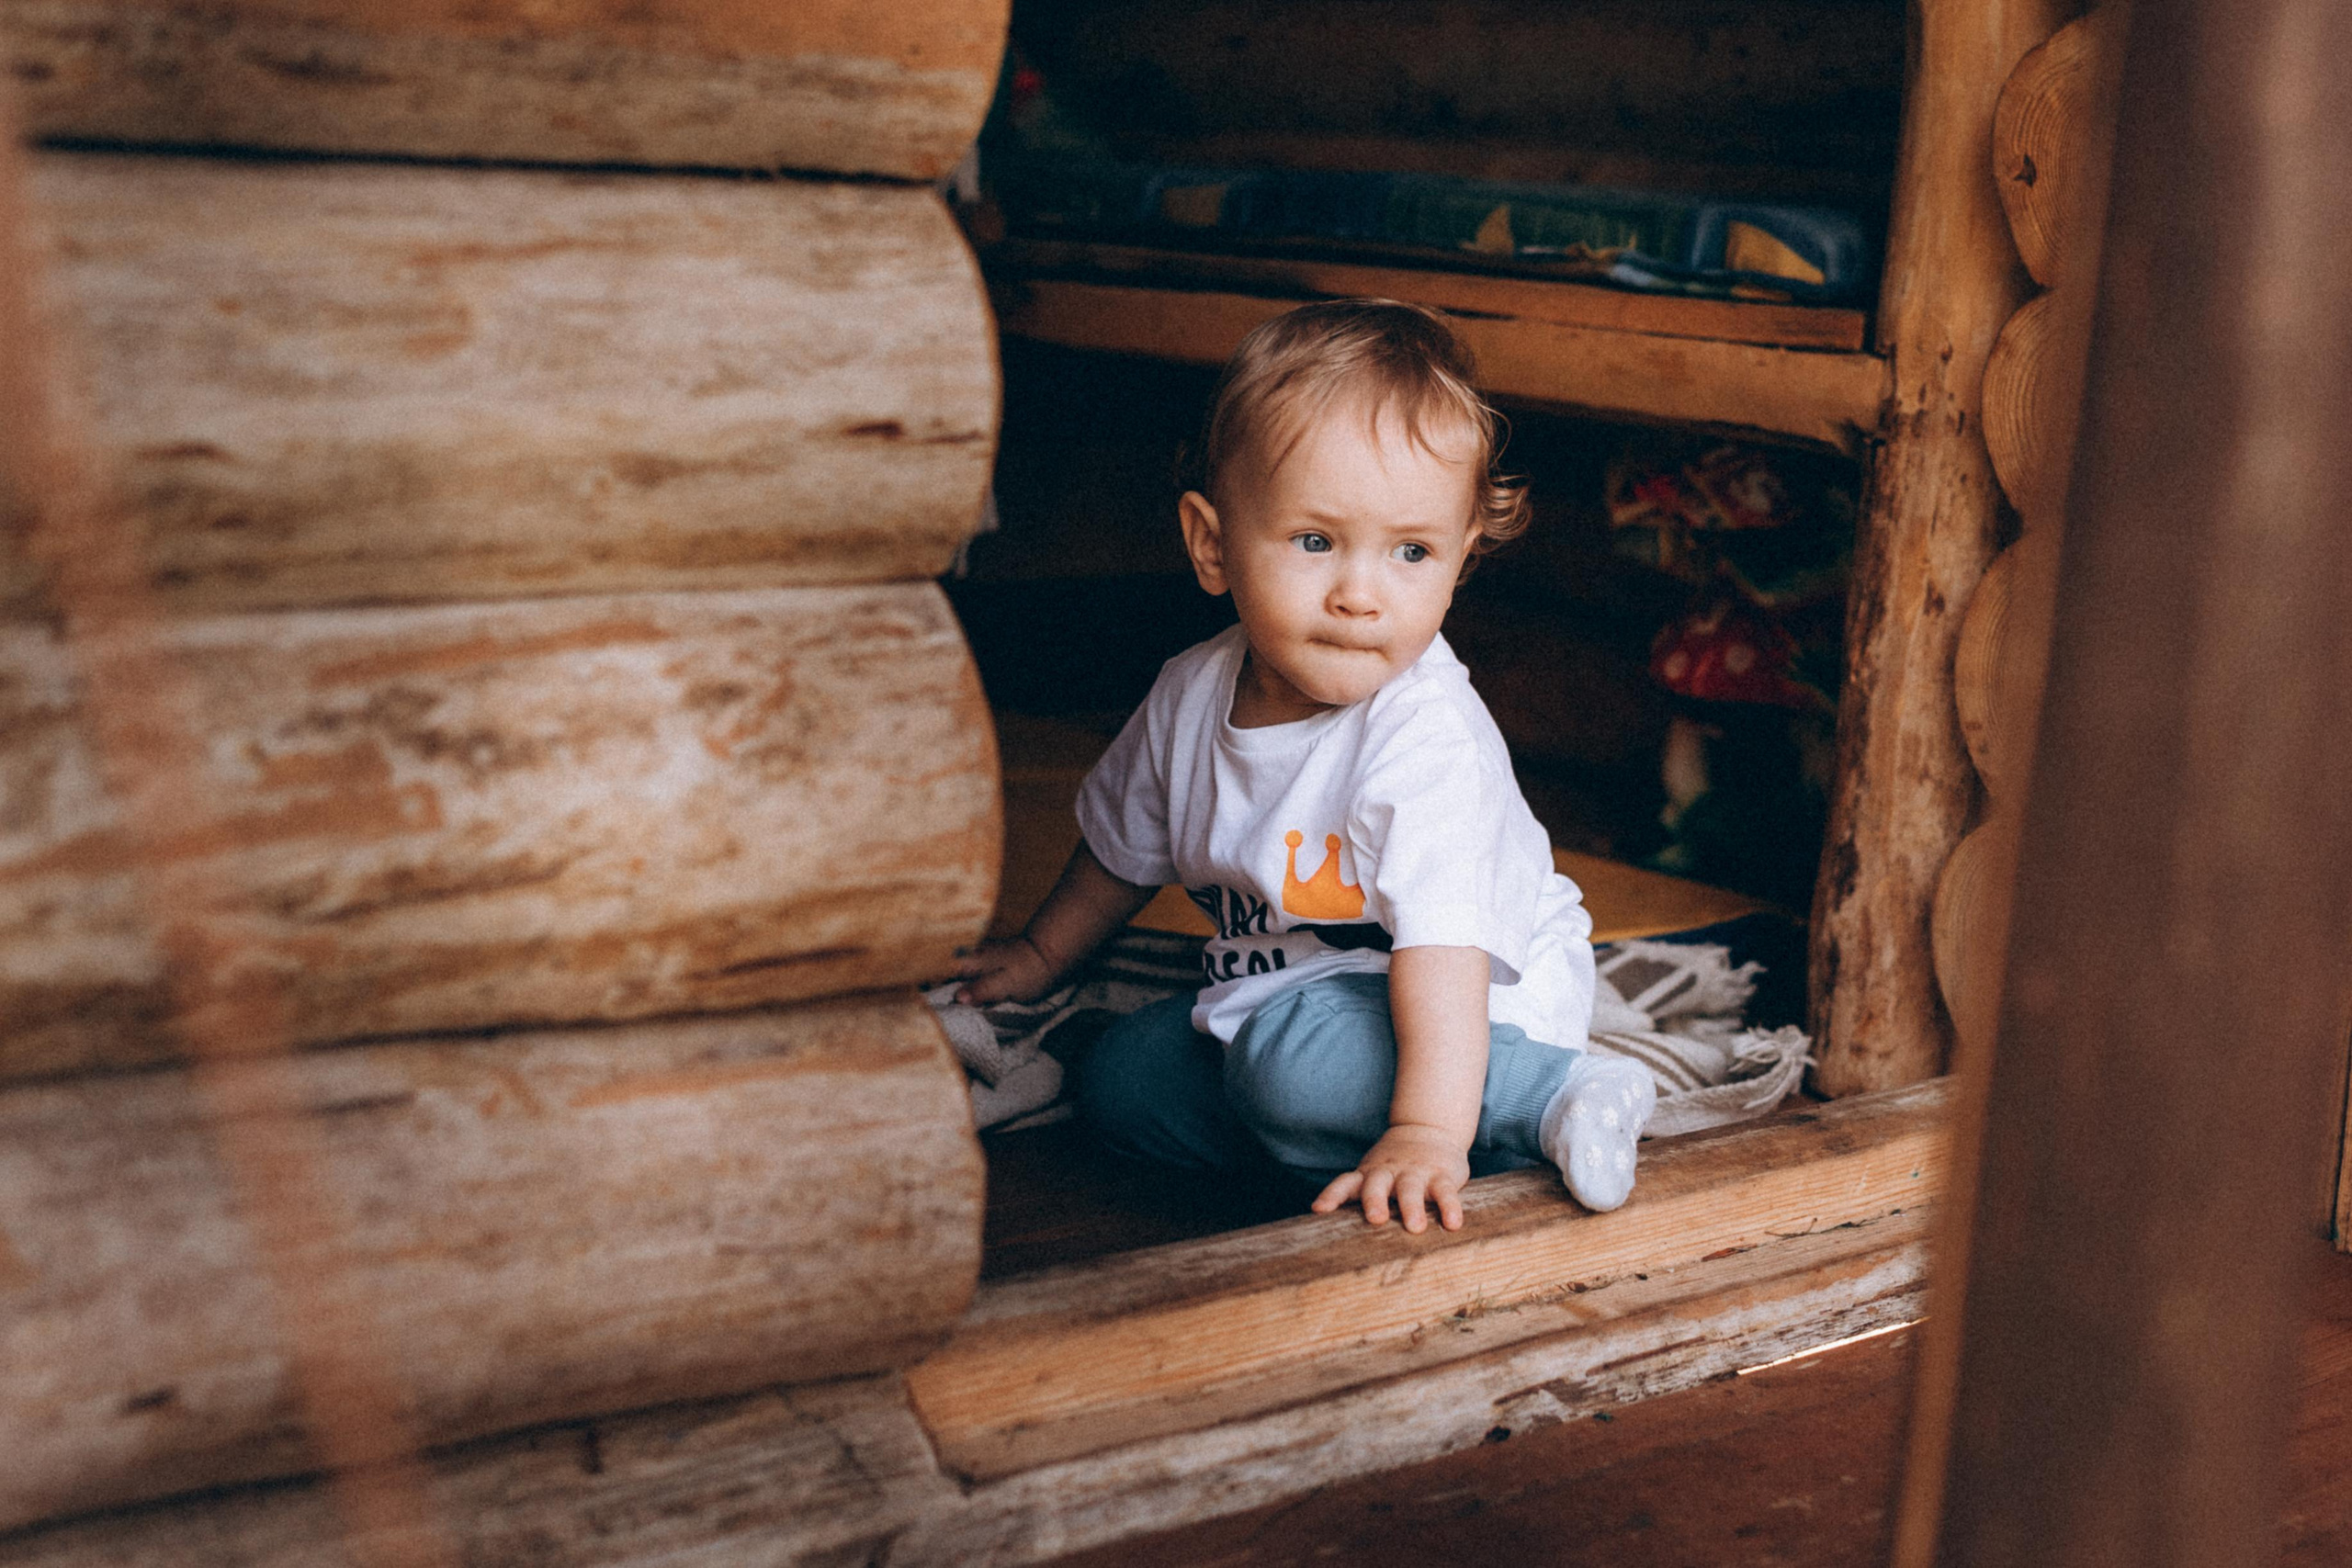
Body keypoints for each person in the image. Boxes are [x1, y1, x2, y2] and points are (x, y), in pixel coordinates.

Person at [956, 299, 1655, 1233]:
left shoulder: (1424, 735)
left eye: (1411, 551)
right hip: (1285, 1001)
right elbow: (1122, 849)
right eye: (1316, 542)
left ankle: (1556, 1095)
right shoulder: (1189, 693)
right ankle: (1315, 1136)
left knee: (1292, 1070)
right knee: (1122, 1082)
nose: (1360, 595)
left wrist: (1424, 1129)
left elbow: (1442, 956)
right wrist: (1042, 956)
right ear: (1212, 545)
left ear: (1459, 563)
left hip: (1469, 1008)